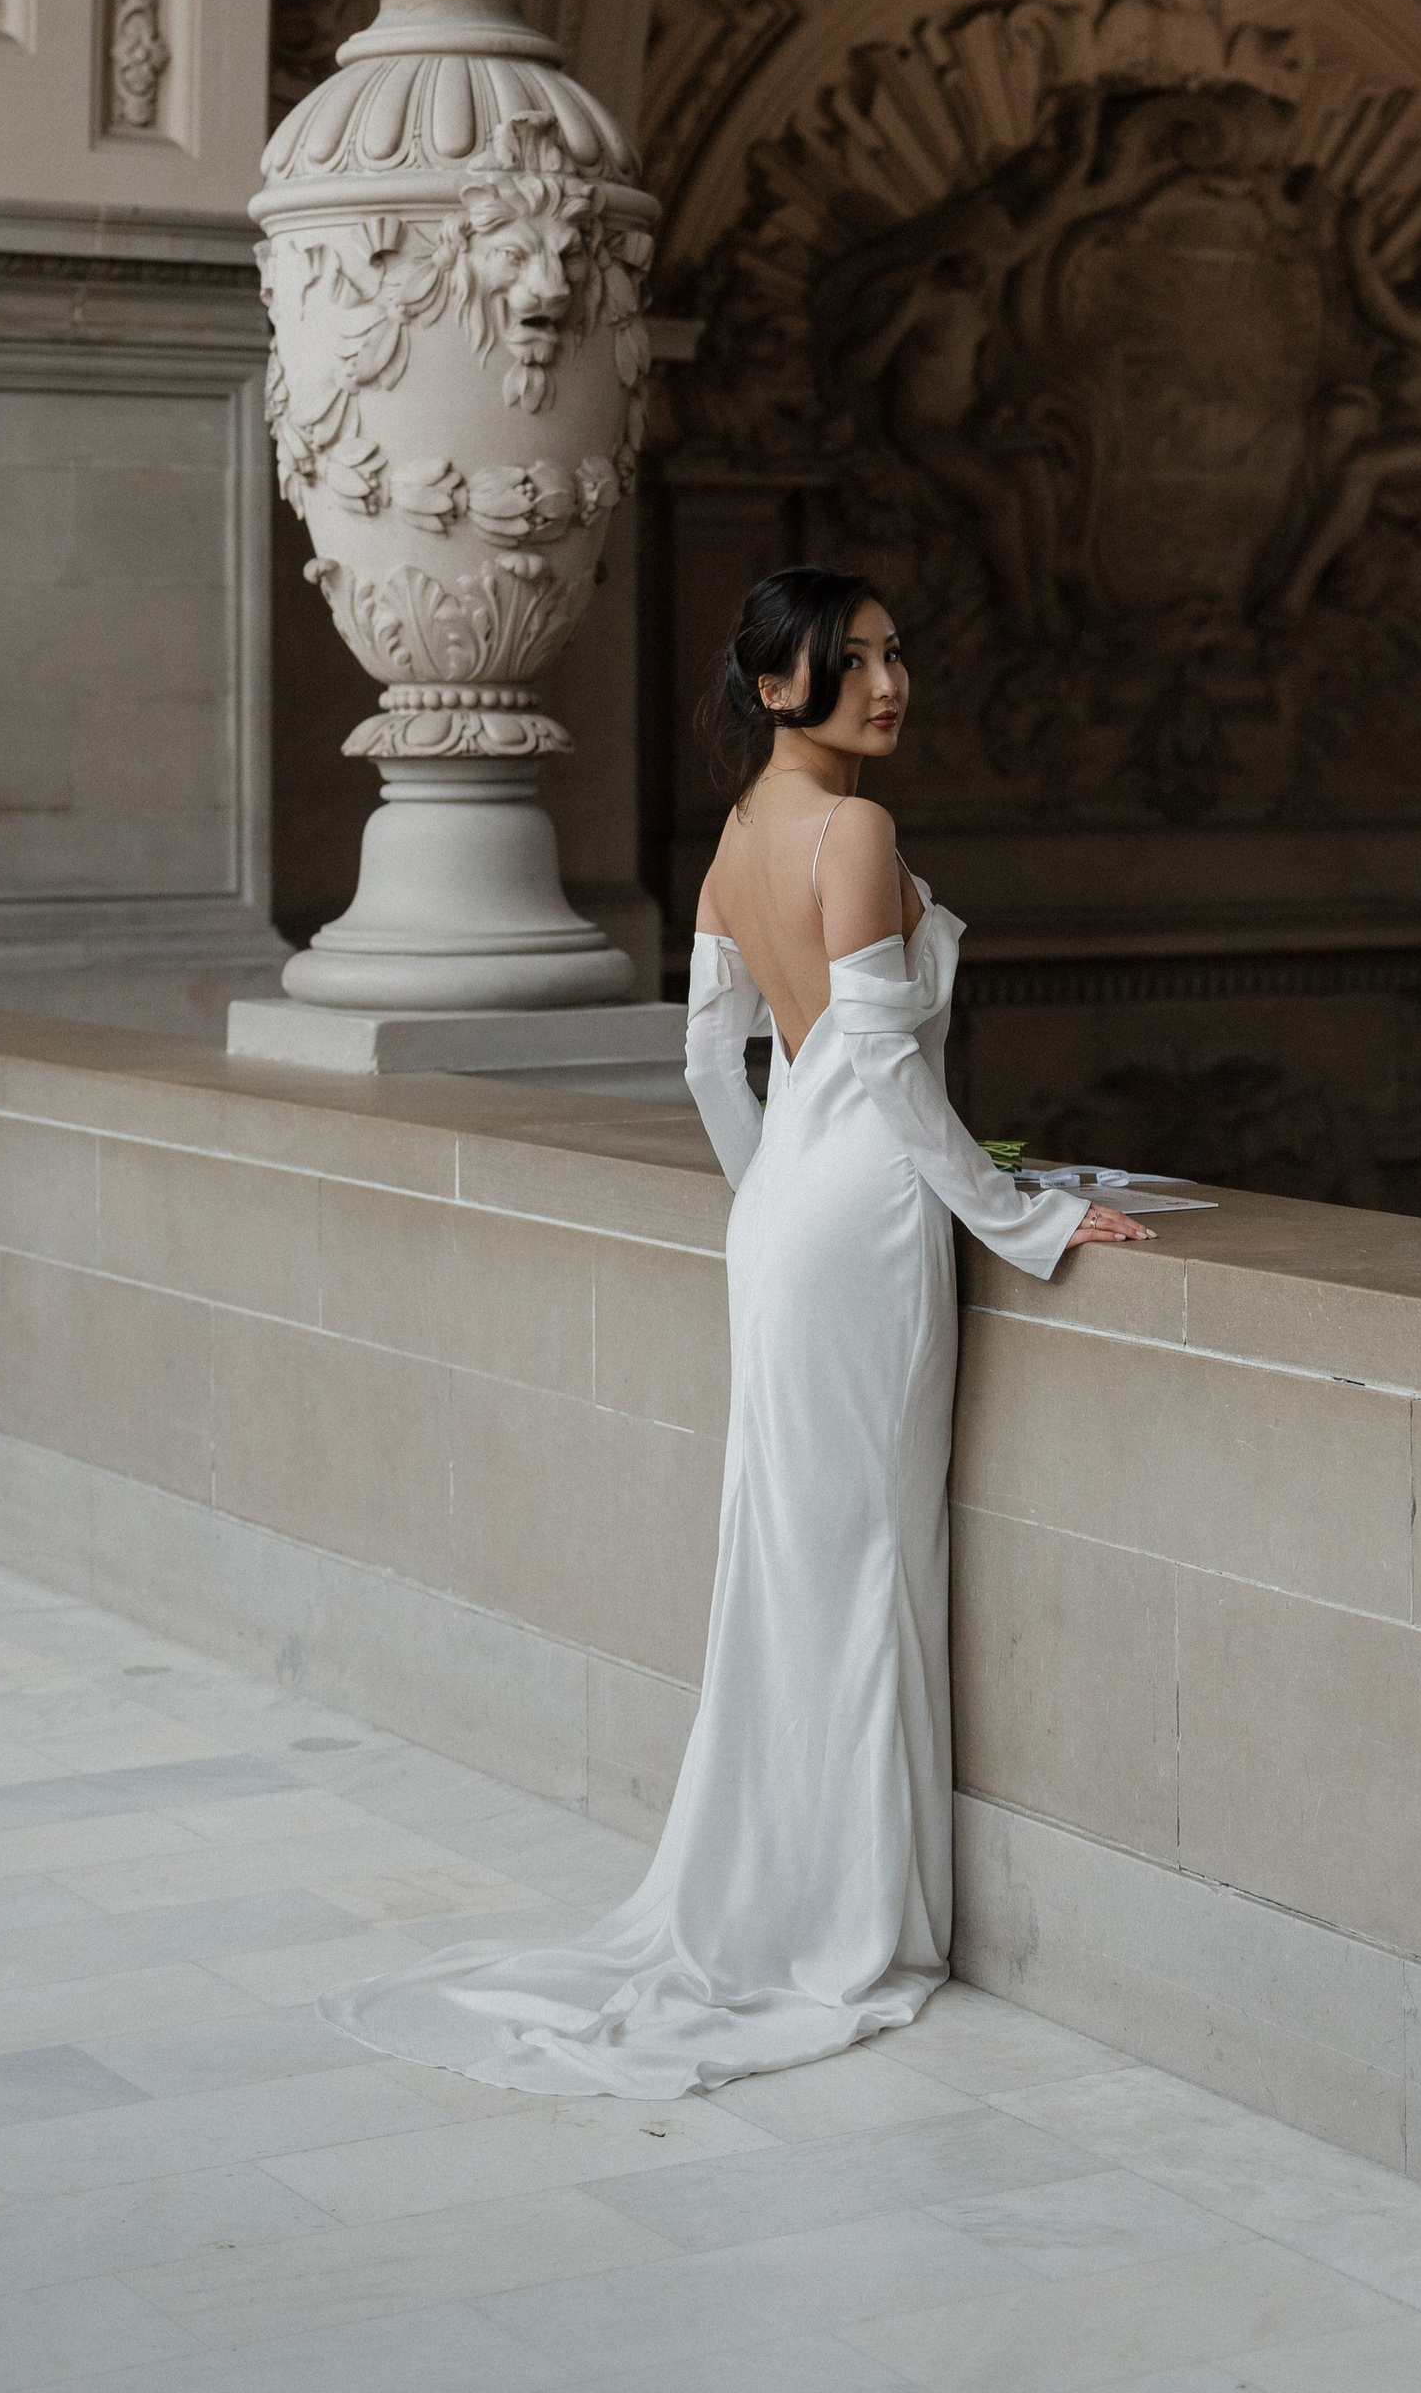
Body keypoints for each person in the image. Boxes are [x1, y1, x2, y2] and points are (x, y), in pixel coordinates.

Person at [318, 564, 1152, 2100]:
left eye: (899, 655)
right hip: (867, 1223)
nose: (890, 685)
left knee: (792, 1555)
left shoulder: (735, 841)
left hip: (780, 1222)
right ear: (779, 688)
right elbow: (900, 1090)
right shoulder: (854, 833)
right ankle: (842, 1919)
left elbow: (714, 1062)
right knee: (863, 1559)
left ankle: (788, 1893)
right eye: (855, 663)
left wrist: (773, 1197)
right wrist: (1028, 1222)